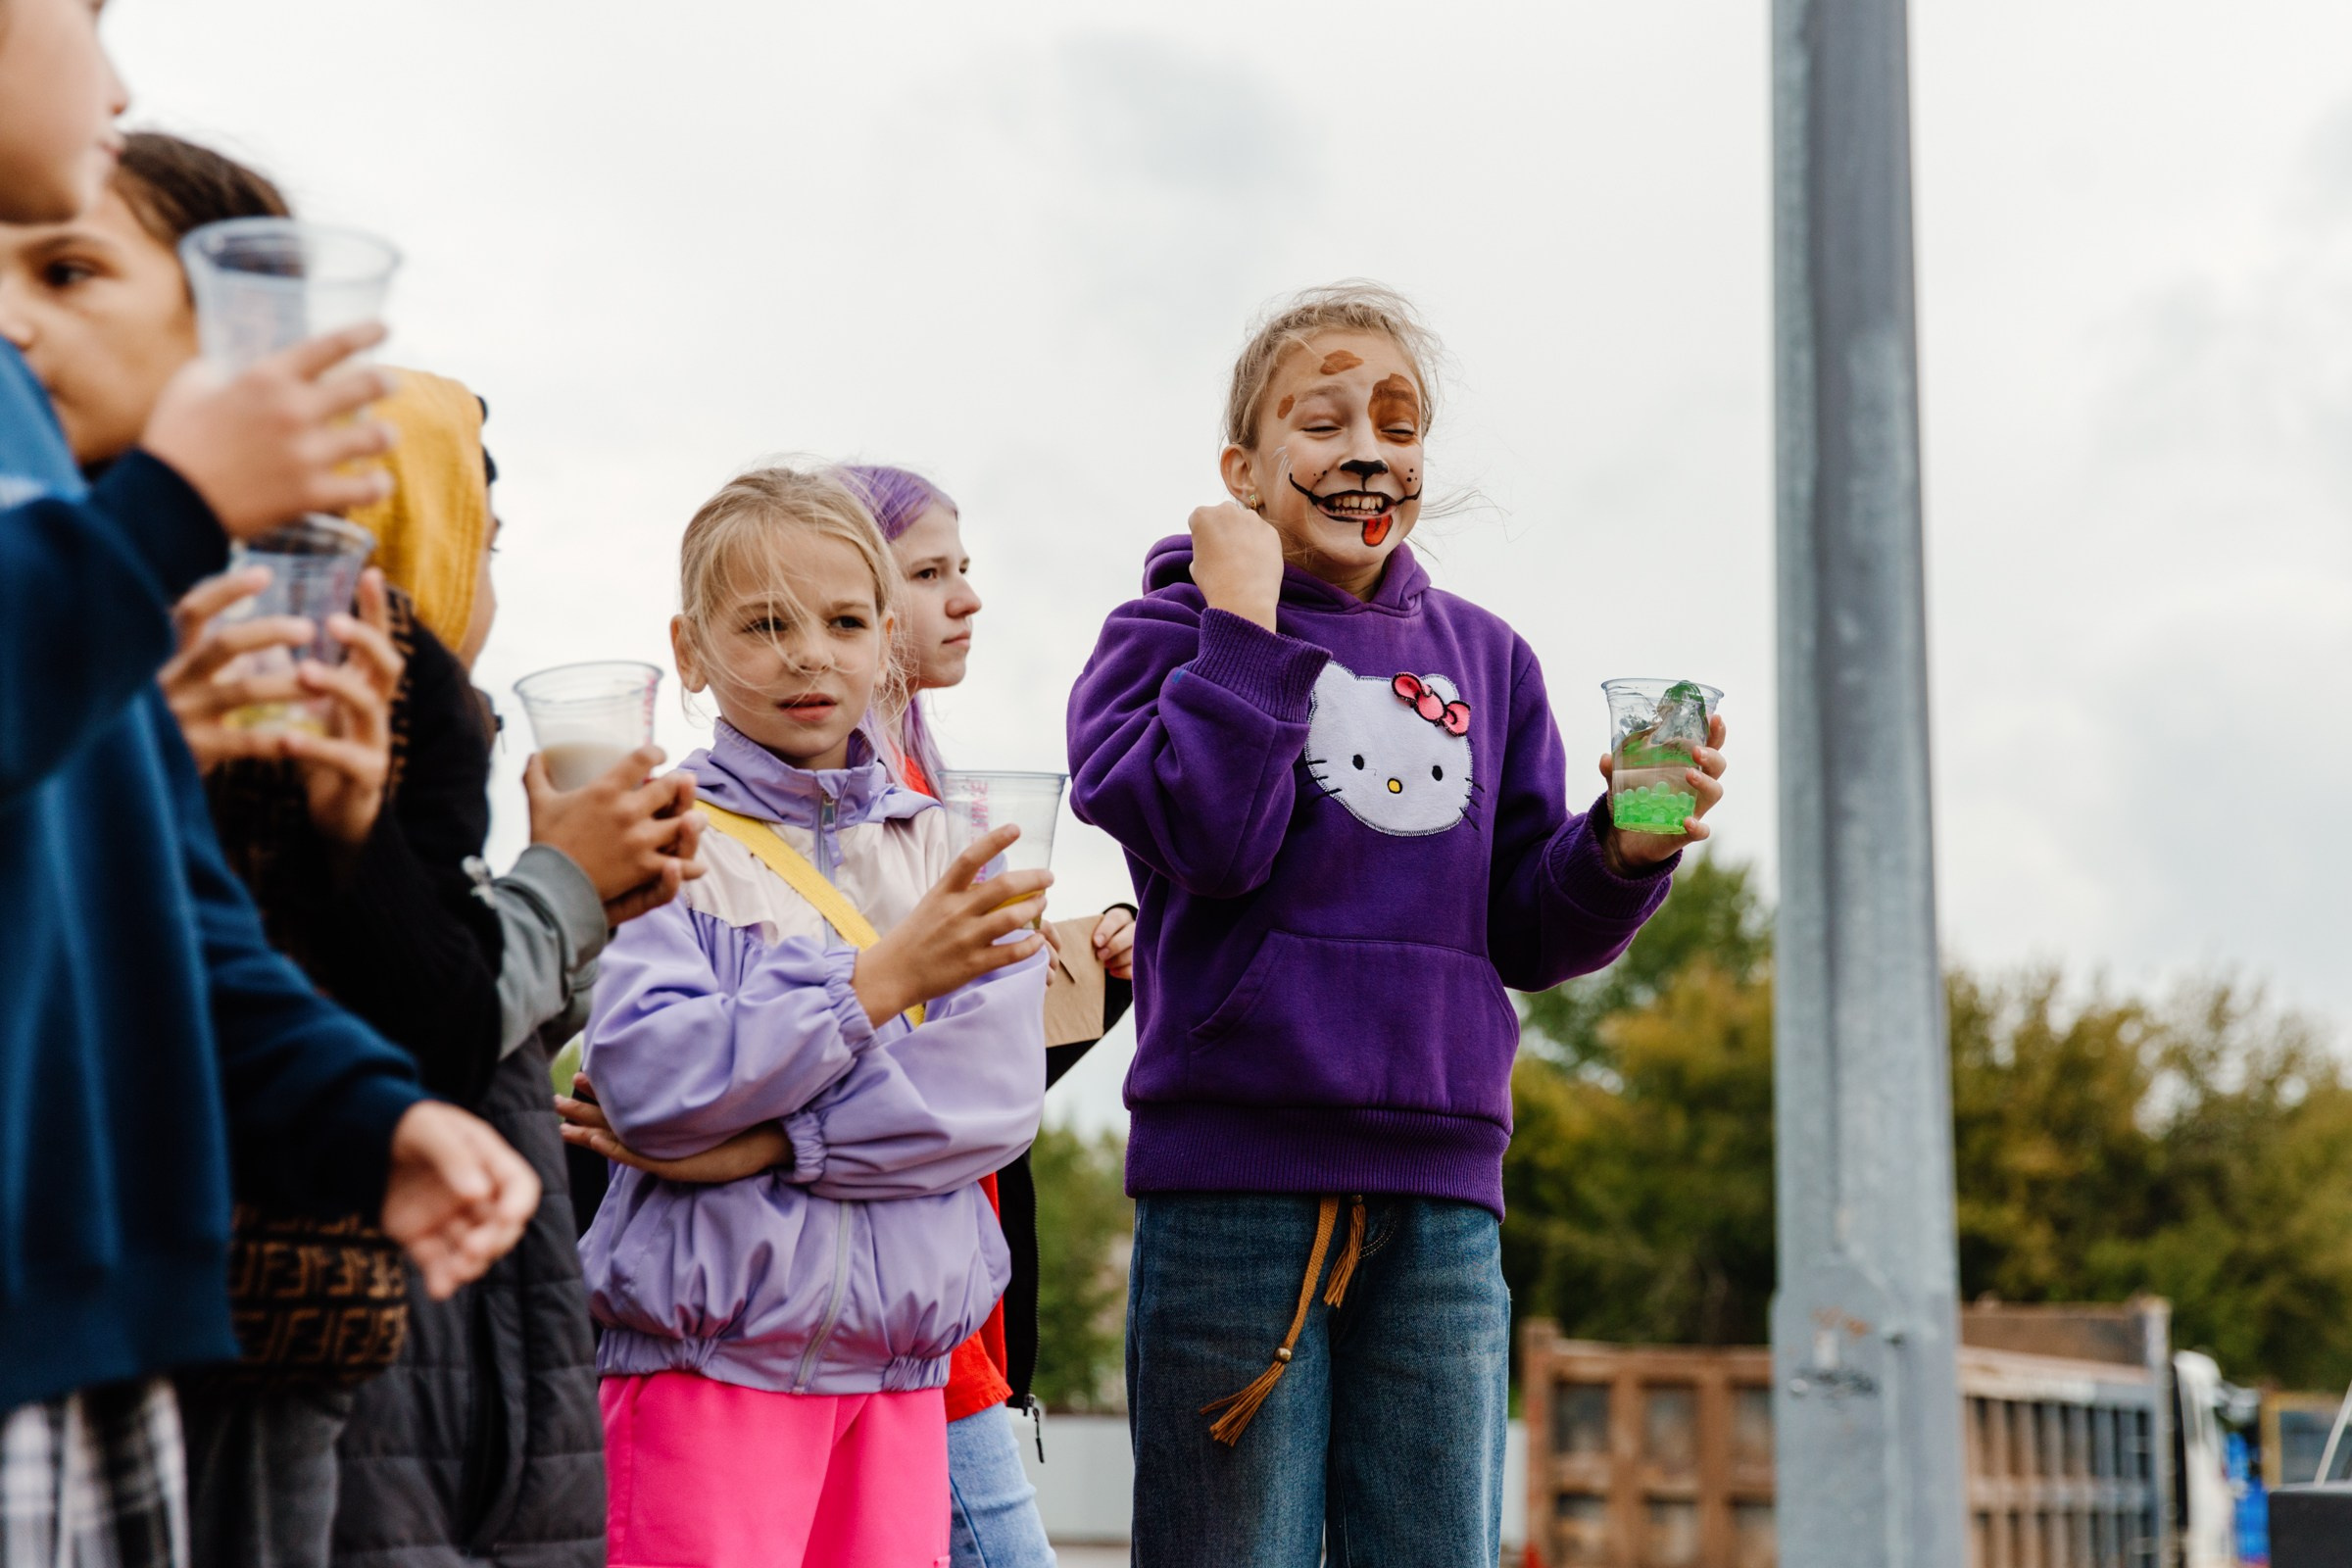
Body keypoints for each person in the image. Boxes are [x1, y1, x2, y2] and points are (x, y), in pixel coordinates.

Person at [0, 129, 696, 1567]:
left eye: (68, 270)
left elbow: (237, 952)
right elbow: (418, 997)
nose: (14, 321)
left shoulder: (392, 680)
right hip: (173, 1286)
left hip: (314, 1291)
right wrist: (558, 886)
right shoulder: (101, 605)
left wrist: (383, 1092)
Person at [1064, 282, 1733, 1566]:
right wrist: (1243, 623)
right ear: (1242, 469)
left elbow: (1533, 935)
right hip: (1233, 1196)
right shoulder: (1158, 640)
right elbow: (1213, 835)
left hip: (1442, 1204)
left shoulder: (1492, 662)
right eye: (1322, 422)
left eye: (1399, 422)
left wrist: (1623, 849)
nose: (1368, 449)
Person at [560, 463, 1137, 1567]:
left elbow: (994, 1099)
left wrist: (762, 1142)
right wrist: (875, 989)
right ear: (690, 650)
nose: (811, 652)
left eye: (843, 619)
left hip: (896, 1375)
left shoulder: (943, 848)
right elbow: (652, 1080)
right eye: (766, 623)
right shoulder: (664, 842)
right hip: (703, 1364)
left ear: (886, 645)